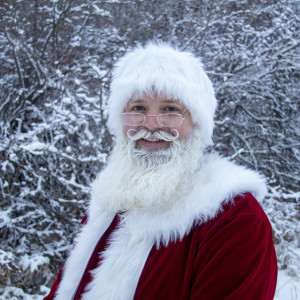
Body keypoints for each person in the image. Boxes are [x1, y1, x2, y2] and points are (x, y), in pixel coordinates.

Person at [45, 43, 277, 300]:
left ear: (197, 122)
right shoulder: (111, 203)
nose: (152, 125)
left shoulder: (233, 218)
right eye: (138, 108)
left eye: (170, 109)